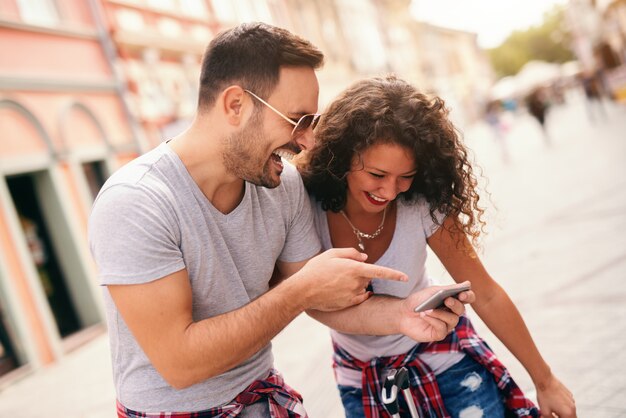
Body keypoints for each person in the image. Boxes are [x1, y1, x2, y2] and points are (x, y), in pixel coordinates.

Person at [88, 23, 472, 417]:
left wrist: (403, 313)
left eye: (312, 121)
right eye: (296, 119)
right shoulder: (136, 203)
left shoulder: (282, 185)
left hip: (263, 397)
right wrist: (299, 291)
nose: (306, 141)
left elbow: (320, 299)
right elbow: (181, 364)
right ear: (235, 105)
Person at [299, 75, 577, 418]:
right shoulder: (304, 205)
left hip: (445, 355)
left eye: (405, 177)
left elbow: (487, 294)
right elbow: (304, 297)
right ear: (342, 156)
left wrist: (545, 380)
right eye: (376, 174)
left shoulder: (421, 205)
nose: (389, 191)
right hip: (362, 376)